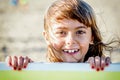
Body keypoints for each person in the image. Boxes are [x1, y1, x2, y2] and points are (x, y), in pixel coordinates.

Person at [6, 0, 115, 71]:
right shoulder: (35, 71)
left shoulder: (99, 69)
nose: (70, 41)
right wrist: (20, 70)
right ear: (47, 37)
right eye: (61, 32)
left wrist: (103, 71)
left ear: (92, 37)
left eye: (80, 32)